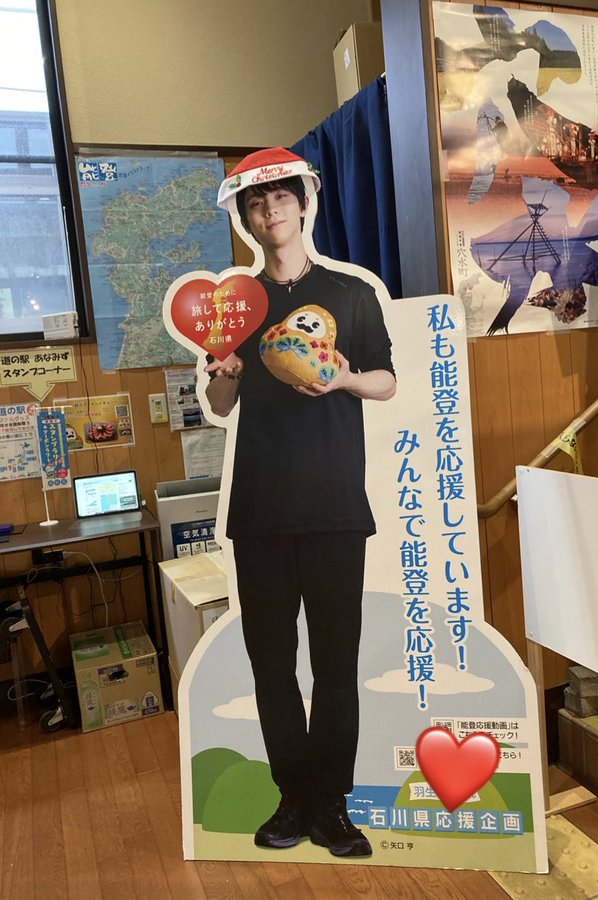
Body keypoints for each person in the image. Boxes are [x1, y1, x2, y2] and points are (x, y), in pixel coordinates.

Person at [205, 148, 396, 858]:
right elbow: (221, 403)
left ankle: (331, 803)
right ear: (247, 219)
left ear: (303, 203)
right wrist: (226, 371)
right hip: (259, 510)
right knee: (272, 665)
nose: (270, 211)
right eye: (256, 203)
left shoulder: (351, 292)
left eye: (280, 197)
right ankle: (292, 797)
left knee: (336, 665)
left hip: (336, 507)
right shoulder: (236, 304)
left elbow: (386, 381)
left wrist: (344, 379)